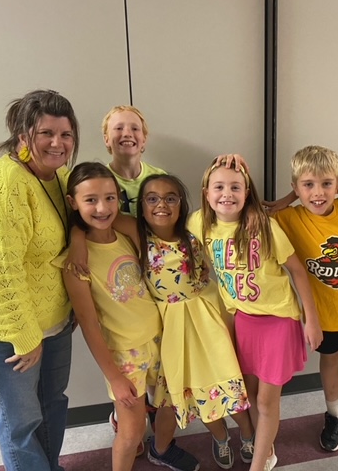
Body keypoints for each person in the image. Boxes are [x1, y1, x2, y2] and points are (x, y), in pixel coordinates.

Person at [0, 89, 79, 471]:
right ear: (23, 136)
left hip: (53, 322)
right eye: (46, 134)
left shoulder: (59, 176)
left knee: (53, 403)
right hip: (3, 330)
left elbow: (93, 207)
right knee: (21, 422)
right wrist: (23, 336)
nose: (58, 143)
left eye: (66, 134)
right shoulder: (2, 185)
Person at [60, 163, 199, 471]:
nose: (102, 207)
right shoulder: (75, 266)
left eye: (110, 198)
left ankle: (161, 450)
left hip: (161, 339)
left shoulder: (128, 233)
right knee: (131, 431)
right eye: (91, 200)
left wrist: (77, 234)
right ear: (73, 202)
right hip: (125, 355)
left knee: (170, 403)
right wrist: (114, 378)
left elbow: (122, 220)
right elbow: (89, 325)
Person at [187, 158, 323, 471]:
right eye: (219, 187)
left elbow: (297, 272)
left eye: (235, 187)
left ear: (247, 193)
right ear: (206, 193)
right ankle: (266, 443)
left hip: (278, 320)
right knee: (247, 394)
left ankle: (258, 464)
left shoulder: (265, 226)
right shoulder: (199, 224)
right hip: (242, 320)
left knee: (265, 401)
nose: (227, 194)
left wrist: (311, 320)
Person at [133, 173, 255, 469]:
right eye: (152, 198)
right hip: (173, 329)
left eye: (170, 198)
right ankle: (221, 436)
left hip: (209, 317)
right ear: (141, 206)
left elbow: (236, 206)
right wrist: (77, 240)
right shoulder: (137, 234)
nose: (161, 204)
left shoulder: (195, 228)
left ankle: (250, 434)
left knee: (229, 380)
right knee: (197, 390)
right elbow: (96, 222)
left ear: (182, 203)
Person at [270, 146, 338, 455]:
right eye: (308, 185)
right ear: (296, 187)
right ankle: (333, 413)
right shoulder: (289, 217)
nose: (318, 192)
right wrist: (290, 198)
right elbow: (260, 213)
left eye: (327, 184)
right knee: (329, 362)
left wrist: (331, 184)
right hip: (321, 315)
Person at [102, 105, 166, 216]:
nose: (127, 134)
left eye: (135, 129)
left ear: (144, 139)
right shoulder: (98, 180)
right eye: (119, 128)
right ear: (106, 139)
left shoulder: (161, 178)